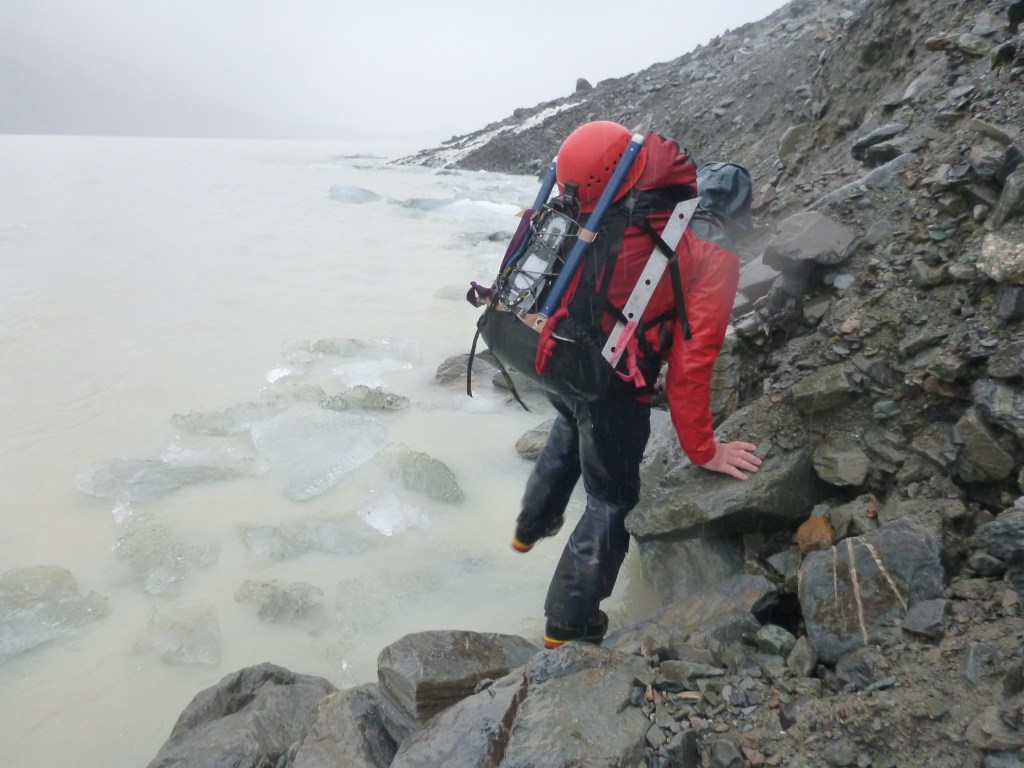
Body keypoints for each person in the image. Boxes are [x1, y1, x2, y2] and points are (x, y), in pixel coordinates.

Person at [507, 121, 762, 649]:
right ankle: (568, 624)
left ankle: (529, 528)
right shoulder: (705, 253)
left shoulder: (584, 209)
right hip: (611, 388)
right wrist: (703, 449)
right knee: (611, 499)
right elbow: (693, 365)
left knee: (566, 424)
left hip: (552, 358)